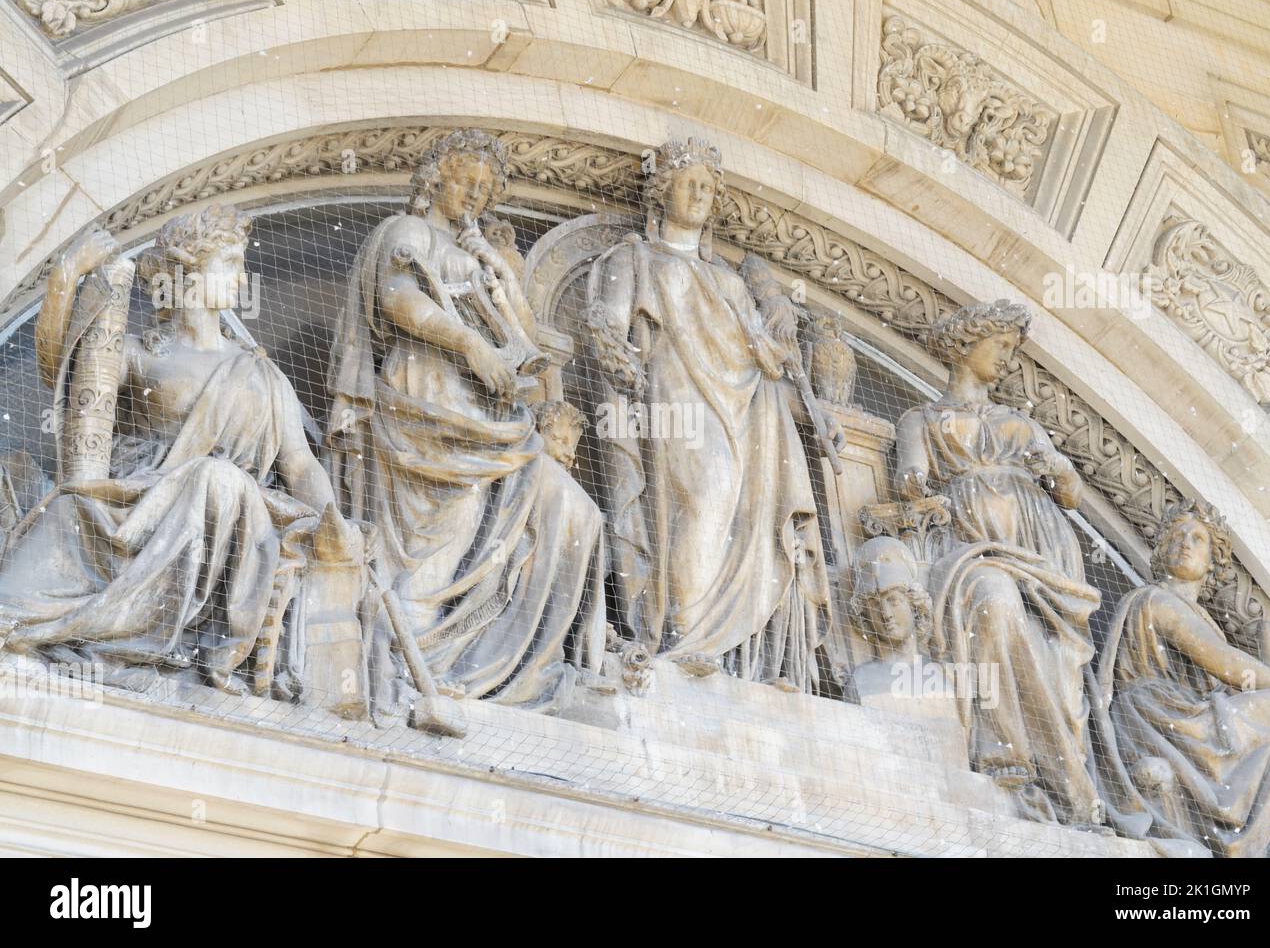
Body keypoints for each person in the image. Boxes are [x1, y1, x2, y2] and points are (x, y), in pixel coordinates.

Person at [0, 206, 335, 697]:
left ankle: (149, 631)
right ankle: (48, 621)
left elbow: (300, 465)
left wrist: (334, 523)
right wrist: (65, 278)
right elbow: (63, 379)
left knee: (216, 478)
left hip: (229, 521)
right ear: (185, 272)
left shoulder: (262, 374)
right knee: (71, 507)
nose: (241, 278)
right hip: (130, 505)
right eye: (227, 262)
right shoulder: (139, 352)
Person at [327, 129, 606, 717]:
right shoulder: (408, 232)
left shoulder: (481, 255)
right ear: (435, 179)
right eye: (467, 181)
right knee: (440, 541)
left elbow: (527, 343)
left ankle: (516, 664)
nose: (477, 196)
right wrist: (468, 346)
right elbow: (399, 297)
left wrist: (501, 285)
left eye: (487, 188)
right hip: (430, 397)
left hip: (495, 416)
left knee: (575, 512)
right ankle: (408, 663)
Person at [583, 136, 836, 692]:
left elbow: (762, 365)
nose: (698, 193)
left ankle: (699, 639)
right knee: (704, 497)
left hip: (740, 413)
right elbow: (609, 332)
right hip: (673, 403)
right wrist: (618, 365)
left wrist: (811, 411)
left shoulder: (729, 281)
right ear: (662, 190)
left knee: (731, 512)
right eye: (687, 182)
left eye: (707, 185)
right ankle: (682, 633)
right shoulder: (635, 258)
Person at [896, 299, 1102, 824]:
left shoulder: (1020, 422)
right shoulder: (920, 418)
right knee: (994, 602)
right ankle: (1006, 753)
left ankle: (1060, 767)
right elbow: (909, 476)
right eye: (1002, 347)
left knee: (1053, 656)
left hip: (1042, 553)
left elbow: (1072, 496)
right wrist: (917, 486)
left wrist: (1056, 467)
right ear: (968, 346)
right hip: (970, 549)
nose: (1008, 360)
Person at [1092, 499, 1270, 857]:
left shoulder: (1205, 618)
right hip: (1158, 714)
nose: (1185, 543)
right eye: (1176, 536)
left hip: (1186, 717)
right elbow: (1222, 662)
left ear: (1213, 562)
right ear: (1161, 551)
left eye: (1197, 538)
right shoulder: (1155, 598)